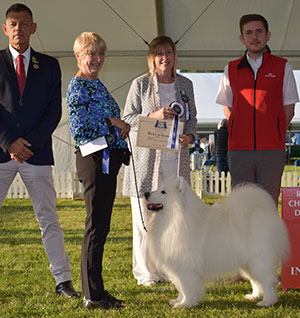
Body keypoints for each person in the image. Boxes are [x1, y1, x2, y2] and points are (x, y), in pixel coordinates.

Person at [0, 3, 79, 298]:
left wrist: (27, 144)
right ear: (5, 29)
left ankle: (63, 281)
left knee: (49, 218)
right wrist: (9, 142)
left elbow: (52, 112)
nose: (18, 29)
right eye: (13, 24)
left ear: (34, 28)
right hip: (1, 152)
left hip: (36, 153)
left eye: (24, 23)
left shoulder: (49, 65)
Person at [122, 35, 197, 286]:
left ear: (175, 56)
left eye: (169, 52)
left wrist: (189, 136)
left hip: (175, 163)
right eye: (159, 53)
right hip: (146, 163)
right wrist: (152, 115)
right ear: (152, 58)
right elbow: (127, 119)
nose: (164, 58)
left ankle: (168, 269)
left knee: (173, 219)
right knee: (144, 219)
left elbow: (193, 118)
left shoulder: (185, 85)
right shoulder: (140, 84)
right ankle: (146, 273)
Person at [67, 32, 130, 310]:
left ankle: (98, 291)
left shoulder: (98, 85)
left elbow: (107, 121)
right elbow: (79, 128)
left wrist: (121, 128)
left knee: (101, 227)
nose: (97, 59)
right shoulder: (78, 85)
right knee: (95, 227)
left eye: (101, 54)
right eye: (91, 54)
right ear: (79, 56)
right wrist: (112, 122)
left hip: (107, 159)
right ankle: (92, 296)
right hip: (94, 161)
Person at [216, 14, 299, 205]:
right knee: (241, 206)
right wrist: (239, 130)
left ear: (268, 35)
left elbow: (289, 109)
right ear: (242, 38)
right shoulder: (231, 68)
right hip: (239, 150)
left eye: (259, 31)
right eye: (249, 32)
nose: (254, 37)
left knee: (268, 204)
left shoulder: (283, 66)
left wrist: (274, 132)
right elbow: (227, 107)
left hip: (271, 150)